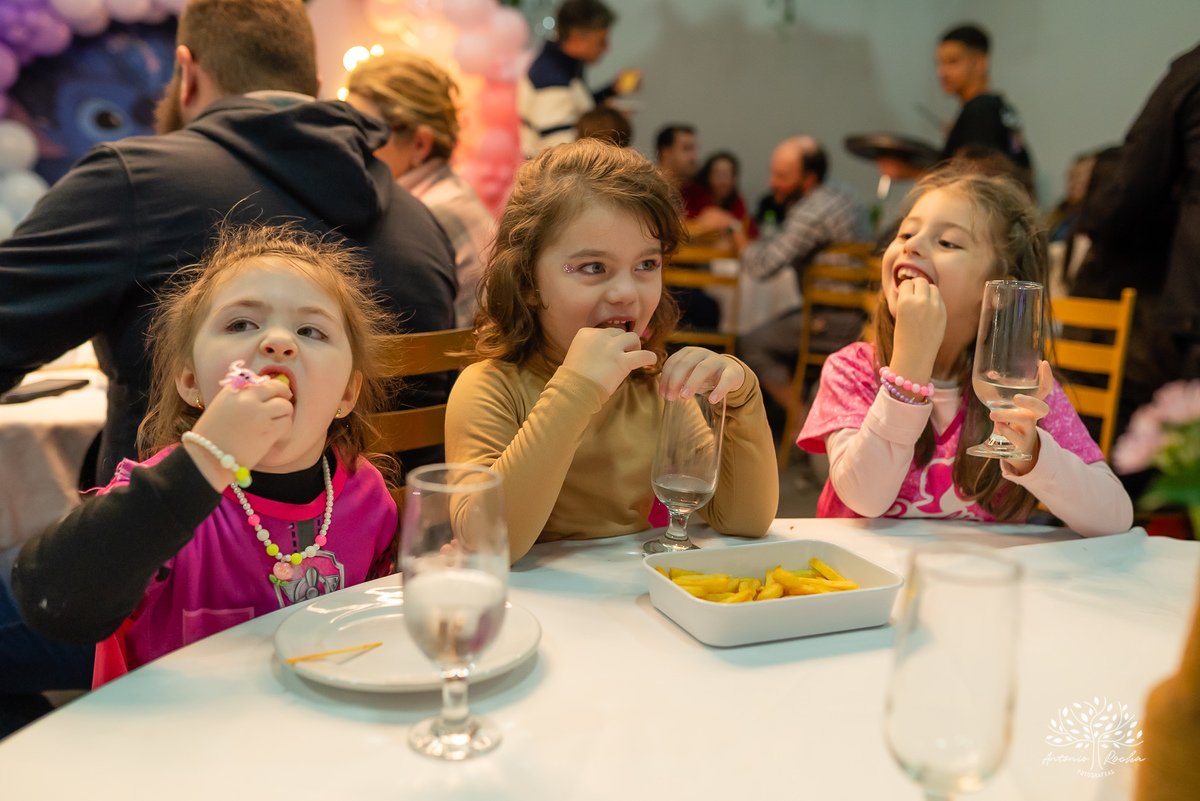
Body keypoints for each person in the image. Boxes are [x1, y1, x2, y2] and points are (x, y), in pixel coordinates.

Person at [0, 0, 457, 490]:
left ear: (187, 73)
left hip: (185, 549)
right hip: (394, 550)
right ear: (316, 90)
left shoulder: (133, 183)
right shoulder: (421, 220)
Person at [12, 223, 399, 687]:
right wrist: (208, 458)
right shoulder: (163, 495)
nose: (278, 342)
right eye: (241, 324)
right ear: (191, 382)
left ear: (348, 394)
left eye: (311, 330)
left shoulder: (367, 497)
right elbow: (52, 600)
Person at [444, 140, 778, 563]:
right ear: (528, 281)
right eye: (593, 268)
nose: (625, 293)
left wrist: (743, 397)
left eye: (646, 265)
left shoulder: (653, 387)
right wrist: (576, 390)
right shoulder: (490, 387)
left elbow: (743, 520)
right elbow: (488, 544)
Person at [796, 164, 1132, 536]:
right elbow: (865, 498)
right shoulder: (852, 370)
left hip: (973, 587)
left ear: (999, 291)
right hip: (865, 582)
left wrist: (1035, 452)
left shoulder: (1020, 392)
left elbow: (1115, 517)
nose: (911, 245)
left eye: (947, 243)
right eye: (906, 232)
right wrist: (908, 373)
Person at [347, 50, 496, 327]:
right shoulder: (445, 196)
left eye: (364, 131)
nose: (348, 141)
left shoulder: (431, 214)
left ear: (419, 144)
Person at [736, 137, 871, 422]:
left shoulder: (812, 211)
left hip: (834, 321)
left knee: (750, 345)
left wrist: (736, 234)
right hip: (856, 314)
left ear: (809, 180)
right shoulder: (841, 193)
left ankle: (804, 422)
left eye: (782, 176)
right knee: (776, 331)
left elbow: (762, 266)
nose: (772, 182)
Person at [518, 0, 639, 158]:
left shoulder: (559, 66)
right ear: (576, 38)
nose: (606, 48)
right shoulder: (552, 81)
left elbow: (575, 108)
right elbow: (561, 152)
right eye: (601, 41)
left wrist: (613, 90)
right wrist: (612, 125)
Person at [937, 23, 1032, 173]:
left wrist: (911, 171)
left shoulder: (980, 110)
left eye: (952, 61)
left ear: (980, 63)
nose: (942, 72)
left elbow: (975, 181)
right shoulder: (1000, 108)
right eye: (940, 63)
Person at [697, 151, 749, 223]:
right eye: (718, 174)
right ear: (708, 176)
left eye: (727, 175)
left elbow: (747, 228)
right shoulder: (696, 196)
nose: (723, 181)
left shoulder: (736, 200)